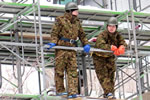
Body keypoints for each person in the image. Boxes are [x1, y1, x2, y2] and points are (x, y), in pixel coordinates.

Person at [47, 2, 90, 99]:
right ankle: (60, 90)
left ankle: (72, 92)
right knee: (59, 71)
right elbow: (54, 33)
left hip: (72, 50)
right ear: (69, 11)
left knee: (73, 72)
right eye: (75, 11)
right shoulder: (60, 20)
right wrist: (53, 42)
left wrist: (86, 43)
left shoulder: (77, 23)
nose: (77, 13)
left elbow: (82, 35)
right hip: (61, 49)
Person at [93, 17, 127, 99]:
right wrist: (110, 47)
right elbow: (100, 44)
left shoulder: (117, 35)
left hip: (110, 58)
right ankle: (108, 93)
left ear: (116, 27)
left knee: (111, 77)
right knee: (104, 76)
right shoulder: (103, 34)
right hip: (99, 58)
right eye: (110, 26)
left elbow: (123, 42)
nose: (111, 28)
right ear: (107, 26)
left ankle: (109, 95)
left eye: (113, 26)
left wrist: (122, 47)